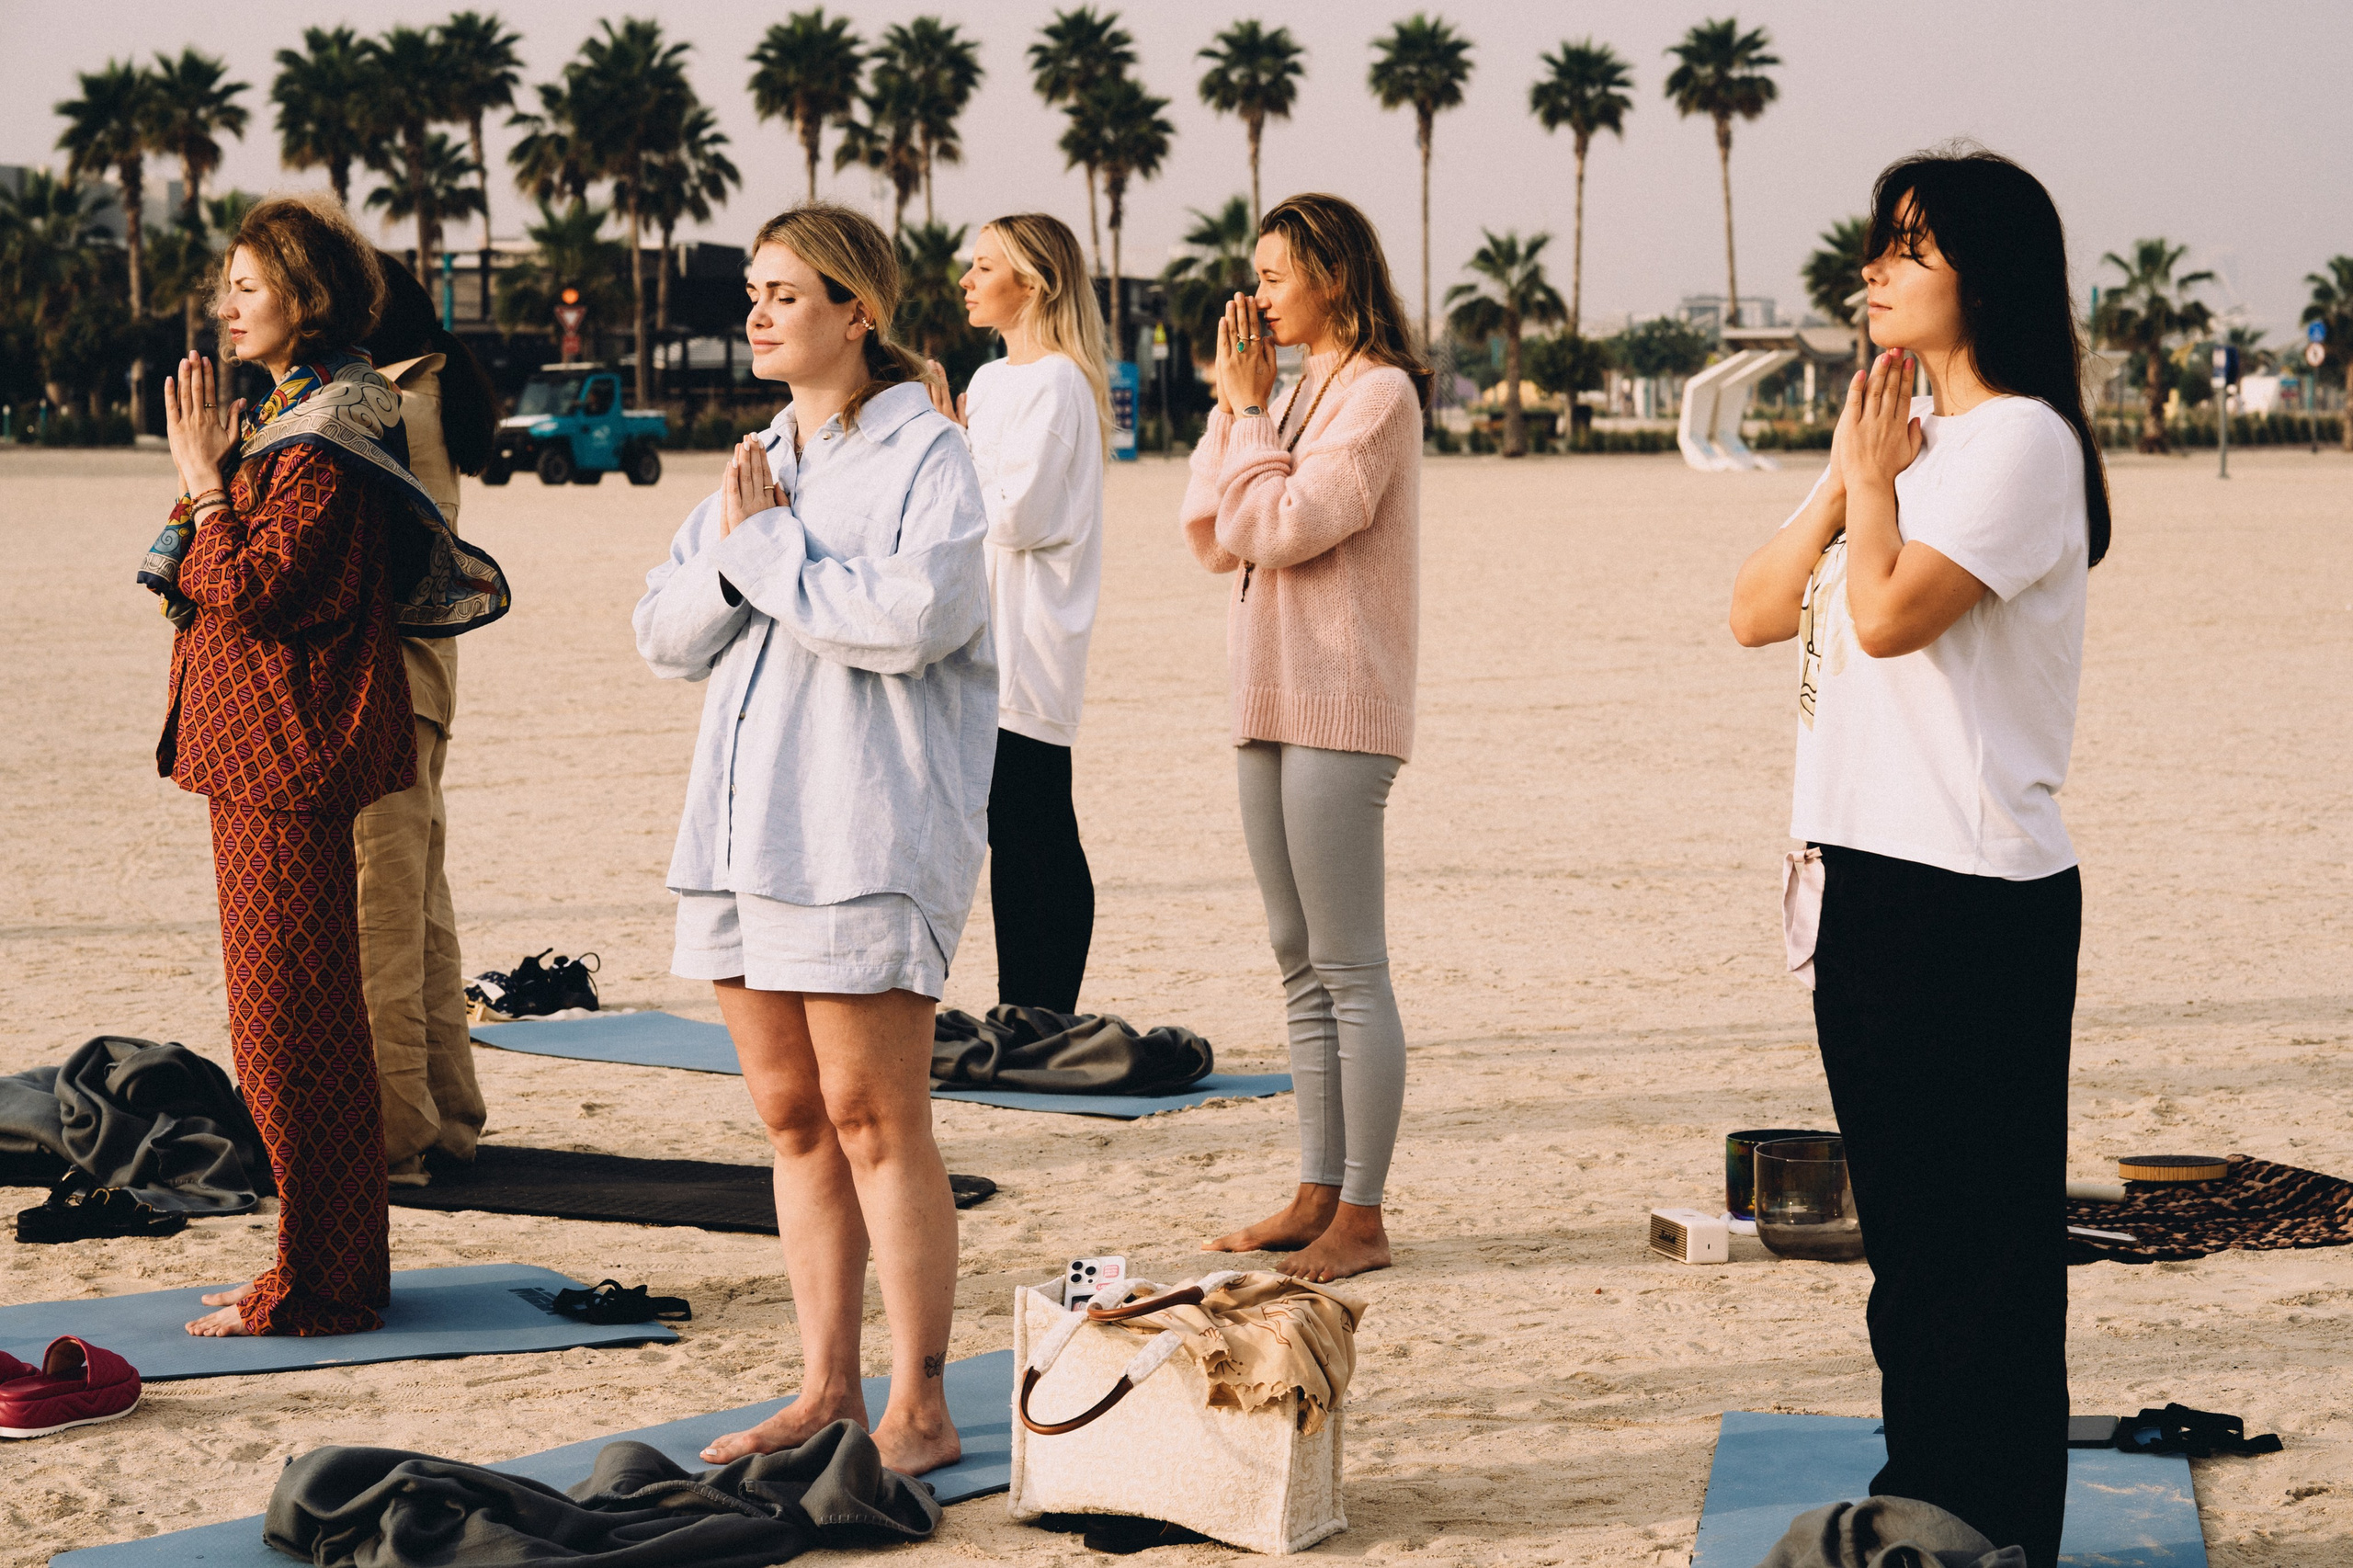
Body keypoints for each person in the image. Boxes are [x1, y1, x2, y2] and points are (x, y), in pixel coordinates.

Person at [1727, 149, 2109, 1568]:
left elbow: (1887, 618)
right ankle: (1930, 1497)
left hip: (1970, 889)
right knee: (1914, 1246)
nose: (1874, 269)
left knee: (1980, 1251)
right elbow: (1756, 608)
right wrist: (1848, 479)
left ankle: (1989, 1520)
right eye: (1880, 244)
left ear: (1986, 281)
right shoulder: (1910, 453)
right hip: (1866, 881)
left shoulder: (2019, 443)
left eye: (1911, 248)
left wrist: (1874, 488)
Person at [632, 202, 991, 1476]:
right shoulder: (757, 455)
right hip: (743, 830)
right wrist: (738, 563)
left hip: (866, 826)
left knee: (874, 1113)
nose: (760, 312)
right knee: (791, 1114)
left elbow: (914, 619)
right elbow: (661, 630)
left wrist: (766, 549)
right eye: (755, 290)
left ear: (859, 311)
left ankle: (923, 1400)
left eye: (787, 292)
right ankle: (828, 1386)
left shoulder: (928, 456)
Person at [145, 194, 508, 1338]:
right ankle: (317, 1259)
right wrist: (211, 474)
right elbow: (212, 569)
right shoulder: (298, 407)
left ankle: (322, 1278)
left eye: (248, 286)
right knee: (285, 1022)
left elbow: (259, 585)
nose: (227, 305)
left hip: (290, 747)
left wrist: (206, 480)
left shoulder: (341, 419)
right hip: (255, 743)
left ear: (306, 300)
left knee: (296, 1024)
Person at [1178, 193, 1429, 1283]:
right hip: (1266, 694)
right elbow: (1209, 528)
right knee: (1295, 957)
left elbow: (1276, 526)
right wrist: (1240, 412)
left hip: (1340, 700)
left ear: (1332, 274)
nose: (1259, 295)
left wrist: (1247, 432)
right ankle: (1316, 1187)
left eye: (1276, 275)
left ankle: (1362, 1215)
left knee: (1350, 965)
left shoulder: (1379, 395)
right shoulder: (1280, 394)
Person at [923, 212, 1109, 1014]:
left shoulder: (1059, 380)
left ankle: (1045, 1010)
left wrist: (949, 444)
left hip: (1032, 636)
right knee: (1006, 833)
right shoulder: (995, 379)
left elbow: (1017, 517)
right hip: (981, 633)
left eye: (984, 266)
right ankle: (1021, 1006)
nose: (966, 280)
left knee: (1038, 829)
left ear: (1032, 283)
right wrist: (952, 441)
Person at [352, 256, 502, 1187]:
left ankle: (393, 1135)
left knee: (379, 918)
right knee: (419, 910)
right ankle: (445, 1117)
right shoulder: (427, 391)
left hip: (387, 690)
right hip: (422, 687)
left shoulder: (394, 407)